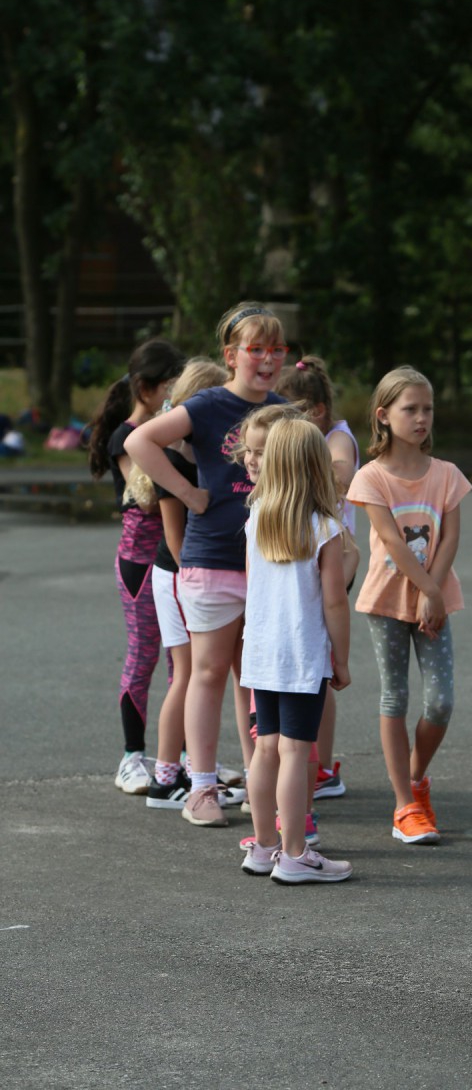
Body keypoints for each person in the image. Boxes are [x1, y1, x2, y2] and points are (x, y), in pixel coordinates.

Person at [125, 302, 289, 827]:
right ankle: (200, 789)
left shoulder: (285, 413)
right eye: (256, 349)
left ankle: (258, 783)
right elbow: (138, 440)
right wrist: (188, 493)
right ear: (231, 355)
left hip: (268, 565)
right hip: (211, 561)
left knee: (255, 680)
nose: (268, 359)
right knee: (209, 672)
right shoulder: (207, 405)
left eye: (276, 349)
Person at [347, 366, 472, 843]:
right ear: (384, 415)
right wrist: (429, 592)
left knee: (440, 702)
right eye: (410, 409)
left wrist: (434, 594)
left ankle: (416, 779)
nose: (422, 418)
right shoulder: (371, 477)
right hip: (388, 598)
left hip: (433, 598)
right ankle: (404, 806)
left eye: (428, 409)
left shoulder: (447, 475)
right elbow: (393, 542)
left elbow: (451, 538)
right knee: (394, 697)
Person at [238, 417, 353, 884]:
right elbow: (334, 601)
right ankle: (294, 853)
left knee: (265, 748)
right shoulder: (324, 528)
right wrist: (341, 659)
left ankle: (264, 846)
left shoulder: (256, 520)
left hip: (261, 651)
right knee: (294, 752)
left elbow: (253, 587)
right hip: (302, 655)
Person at [123, 358, 240, 809]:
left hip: (184, 575)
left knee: (190, 675)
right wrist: (194, 578)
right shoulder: (175, 459)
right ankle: (166, 779)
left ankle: (184, 771)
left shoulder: (198, 455)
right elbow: (175, 538)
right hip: (178, 574)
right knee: (187, 674)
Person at [87, 337, 185, 793]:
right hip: (140, 563)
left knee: (181, 663)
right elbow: (147, 496)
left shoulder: (171, 429)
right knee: (144, 656)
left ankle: (183, 756)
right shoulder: (126, 437)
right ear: (146, 388)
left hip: (176, 558)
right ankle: (131, 757)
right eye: (169, 386)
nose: (175, 395)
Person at [276, 354, 360, 799]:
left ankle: (322, 766)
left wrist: (297, 466)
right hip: (304, 555)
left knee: (319, 670)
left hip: (331, 556)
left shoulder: (337, 437)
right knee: (307, 665)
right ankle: (306, 759)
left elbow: (341, 471)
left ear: (316, 411)